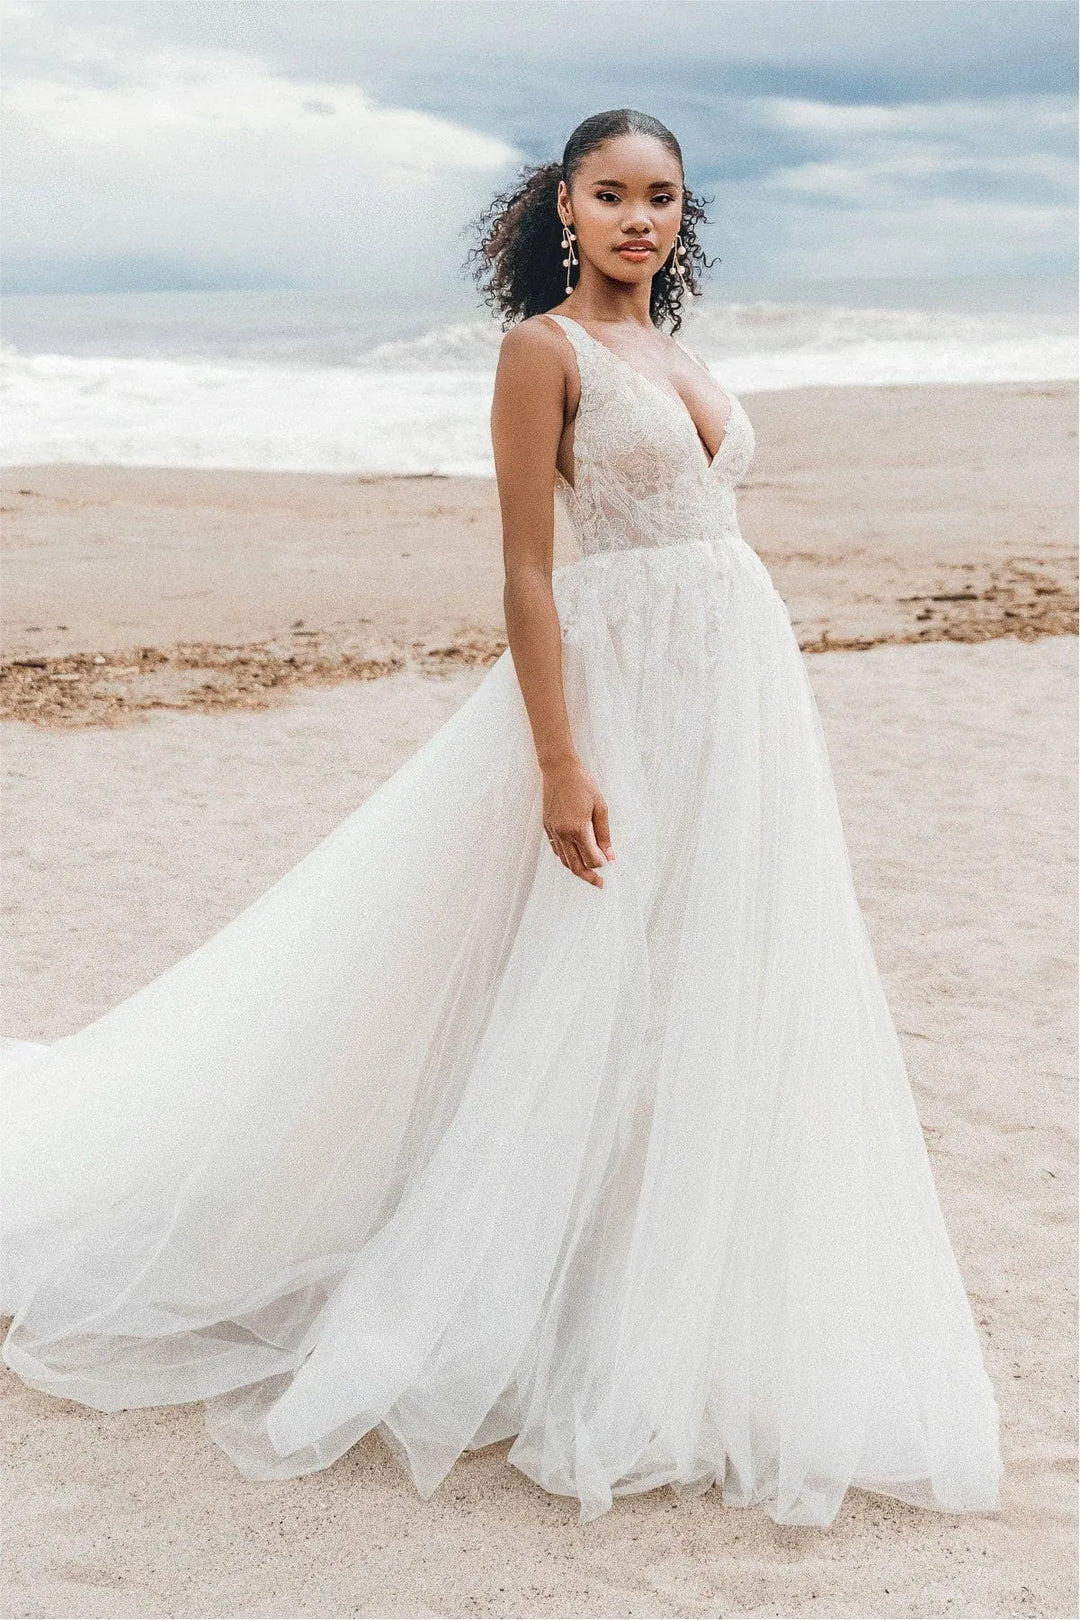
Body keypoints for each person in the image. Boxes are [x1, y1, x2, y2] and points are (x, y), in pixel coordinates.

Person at [0, 108, 1003, 1528]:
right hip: (620, 691)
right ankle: (487, 1281)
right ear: (564, 209)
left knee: (702, 982)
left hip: (736, 696)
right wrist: (557, 760)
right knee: (558, 976)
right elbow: (530, 574)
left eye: (661, 198)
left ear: (681, 214)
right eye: (611, 197)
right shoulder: (544, 353)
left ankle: (637, 1276)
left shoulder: (681, 353)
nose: (638, 221)